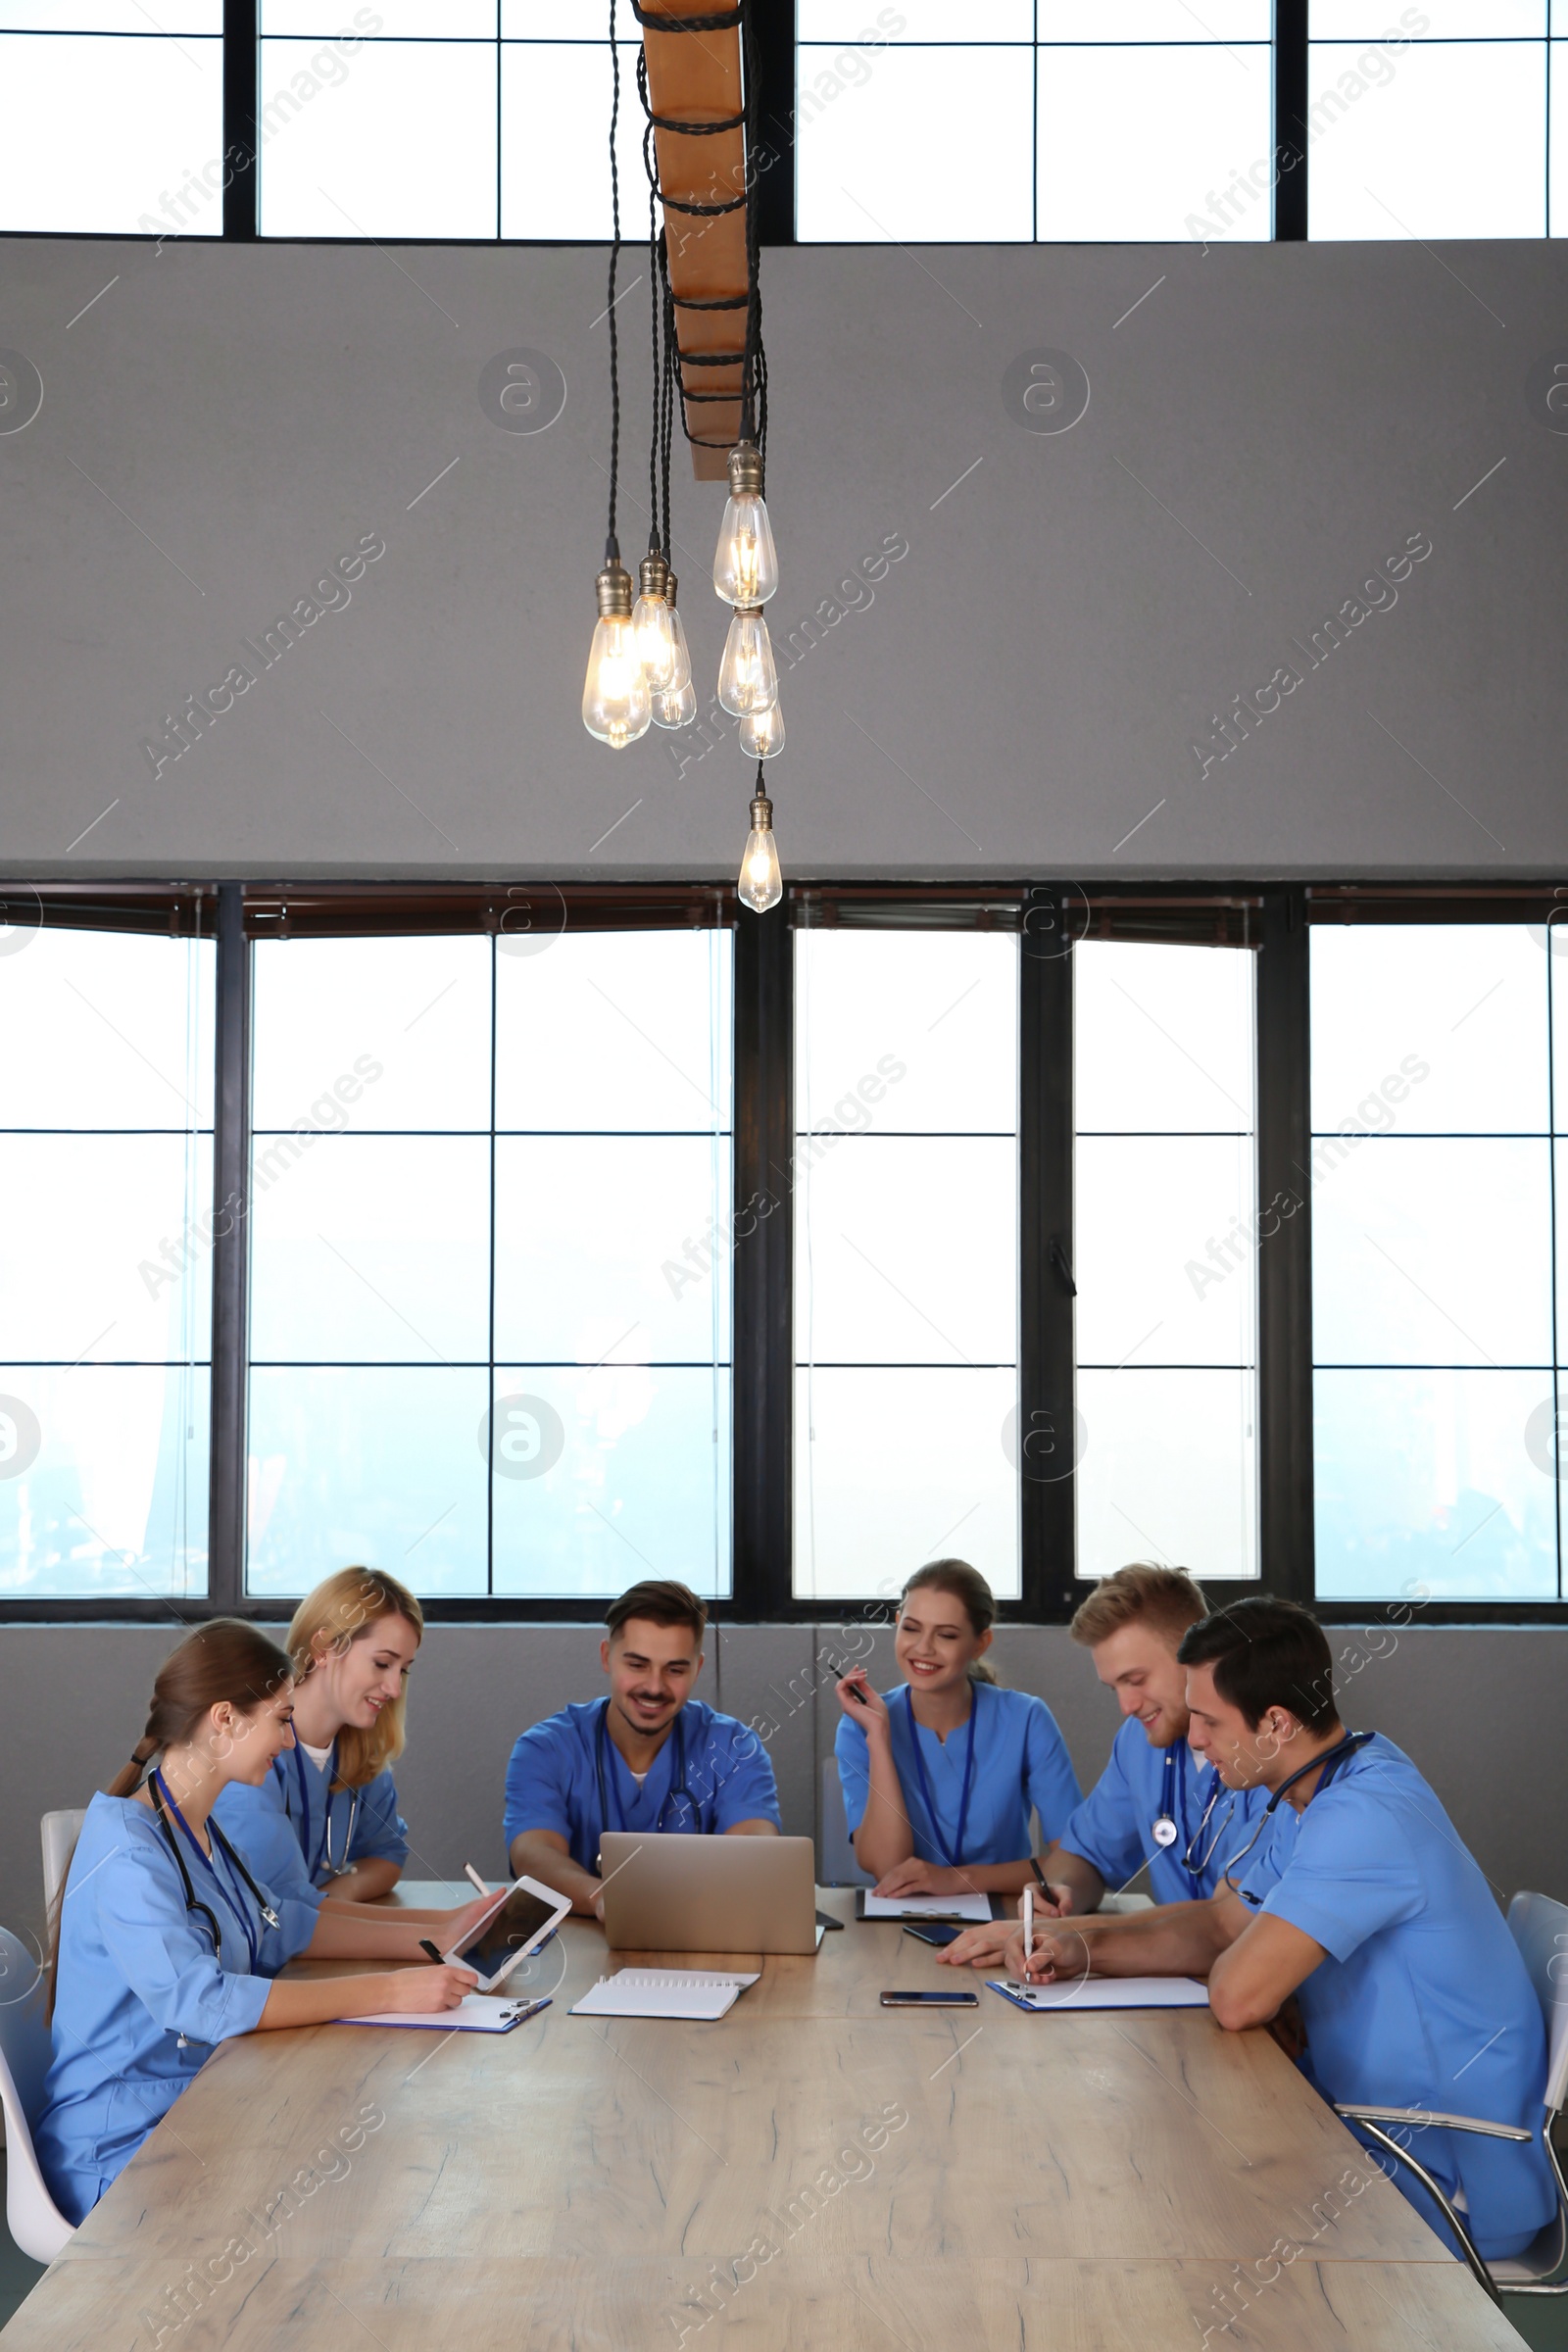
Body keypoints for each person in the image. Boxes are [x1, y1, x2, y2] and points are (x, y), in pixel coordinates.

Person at [991, 1595, 1556, 2263]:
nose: (1195, 1739)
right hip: (1364, 2123)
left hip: (1442, 2171)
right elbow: (1221, 1922)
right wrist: (1079, 1945)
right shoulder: (1323, 1781)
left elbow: (1238, 1995)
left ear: (1277, 1723)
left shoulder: (1362, 1816)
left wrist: (1233, 1950)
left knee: (1166, 2200)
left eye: (1208, 1720)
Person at [35, 1620, 490, 2227]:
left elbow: (283, 1926)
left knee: (371, 2159)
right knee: (348, 2190)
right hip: (124, 2149)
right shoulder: (128, 1850)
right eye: (280, 1718)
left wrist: (438, 1934)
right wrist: (389, 1991)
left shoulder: (199, 1832)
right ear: (225, 1719)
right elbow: (202, 2004)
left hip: (203, 2107)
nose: (287, 1738)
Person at [941, 1564, 1276, 1968]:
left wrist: (1073, 1937)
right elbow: (1087, 1855)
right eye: (1115, 1687)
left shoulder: (1269, 1753)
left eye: (1136, 1679)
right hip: (1185, 1988)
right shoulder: (1140, 1742)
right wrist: (1058, 1893)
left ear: (1198, 1654)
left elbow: (1228, 1924)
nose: (1126, 1706)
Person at [504, 1580, 781, 1918]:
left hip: (701, 1940)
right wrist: (604, 1899)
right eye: (637, 1665)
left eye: (675, 1669)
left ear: (698, 1668)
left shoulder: (735, 1747)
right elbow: (533, 1854)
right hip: (581, 1948)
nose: (654, 1686)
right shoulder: (544, 1749)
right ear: (607, 1657)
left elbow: (755, 1849)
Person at [832, 1560, 1081, 1900]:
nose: (923, 1648)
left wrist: (959, 1879)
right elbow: (887, 1868)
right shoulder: (860, 1725)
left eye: (946, 1635)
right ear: (897, 1625)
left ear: (980, 1643)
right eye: (911, 1629)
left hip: (1005, 1920)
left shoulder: (1027, 1718)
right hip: (899, 1923)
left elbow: (1074, 1862)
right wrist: (878, 1737)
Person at [214, 1567, 420, 1907]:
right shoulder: (250, 1755)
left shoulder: (362, 1756)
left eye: (404, 1669)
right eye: (383, 1664)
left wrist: (341, 1893)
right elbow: (275, 1906)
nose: (395, 1688)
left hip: (317, 1945)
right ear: (324, 1648)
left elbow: (388, 1854)